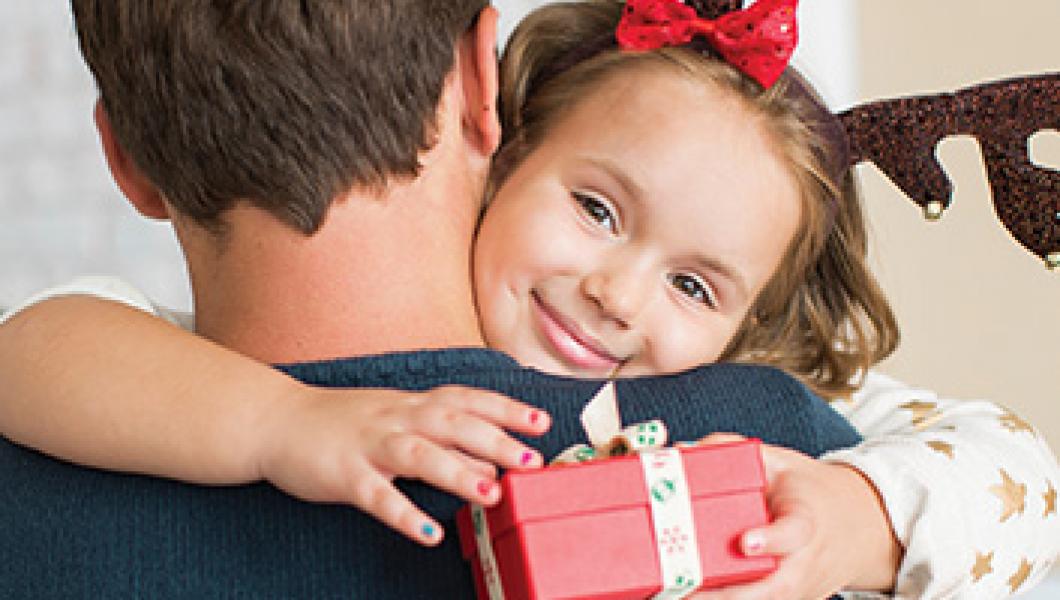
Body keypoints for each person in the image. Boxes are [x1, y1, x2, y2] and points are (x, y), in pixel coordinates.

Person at [0, 0, 1055, 598]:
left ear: (125, 161)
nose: (612, 293)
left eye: (693, 284)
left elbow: (1011, 470)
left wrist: (853, 514)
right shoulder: (765, 451)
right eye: (596, 208)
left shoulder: (778, 475)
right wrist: (284, 423)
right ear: (488, 92)